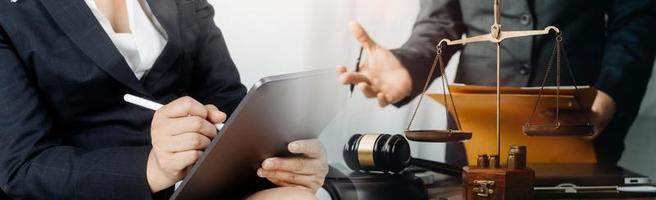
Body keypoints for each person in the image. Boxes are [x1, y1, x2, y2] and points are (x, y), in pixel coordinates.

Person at [0, 0, 326, 199]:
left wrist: (285, 157)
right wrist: (153, 168)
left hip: (203, 186)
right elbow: (23, 167)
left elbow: (231, 106)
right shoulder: (9, 15)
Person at [338, 0, 656, 166]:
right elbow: (441, 22)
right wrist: (407, 67)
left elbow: (637, 16)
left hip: (577, 125)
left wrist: (612, 91)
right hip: (477, 137)